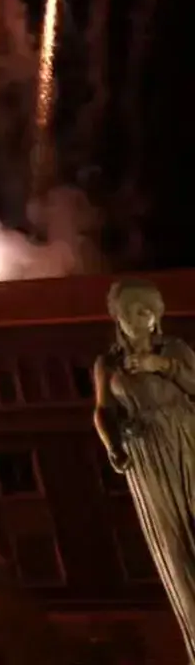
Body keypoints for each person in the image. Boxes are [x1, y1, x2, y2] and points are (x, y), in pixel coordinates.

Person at [95, 278, 195, 654]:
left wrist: (162, 365)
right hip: (148, 457)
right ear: (118, 318)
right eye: (131, 312)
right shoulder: (108, 363)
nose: (140, 319)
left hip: (188, 444)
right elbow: (103, 411)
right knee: (175, 548)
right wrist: (113, 447)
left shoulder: (176, 350)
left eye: (147, 311)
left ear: (157, 317)